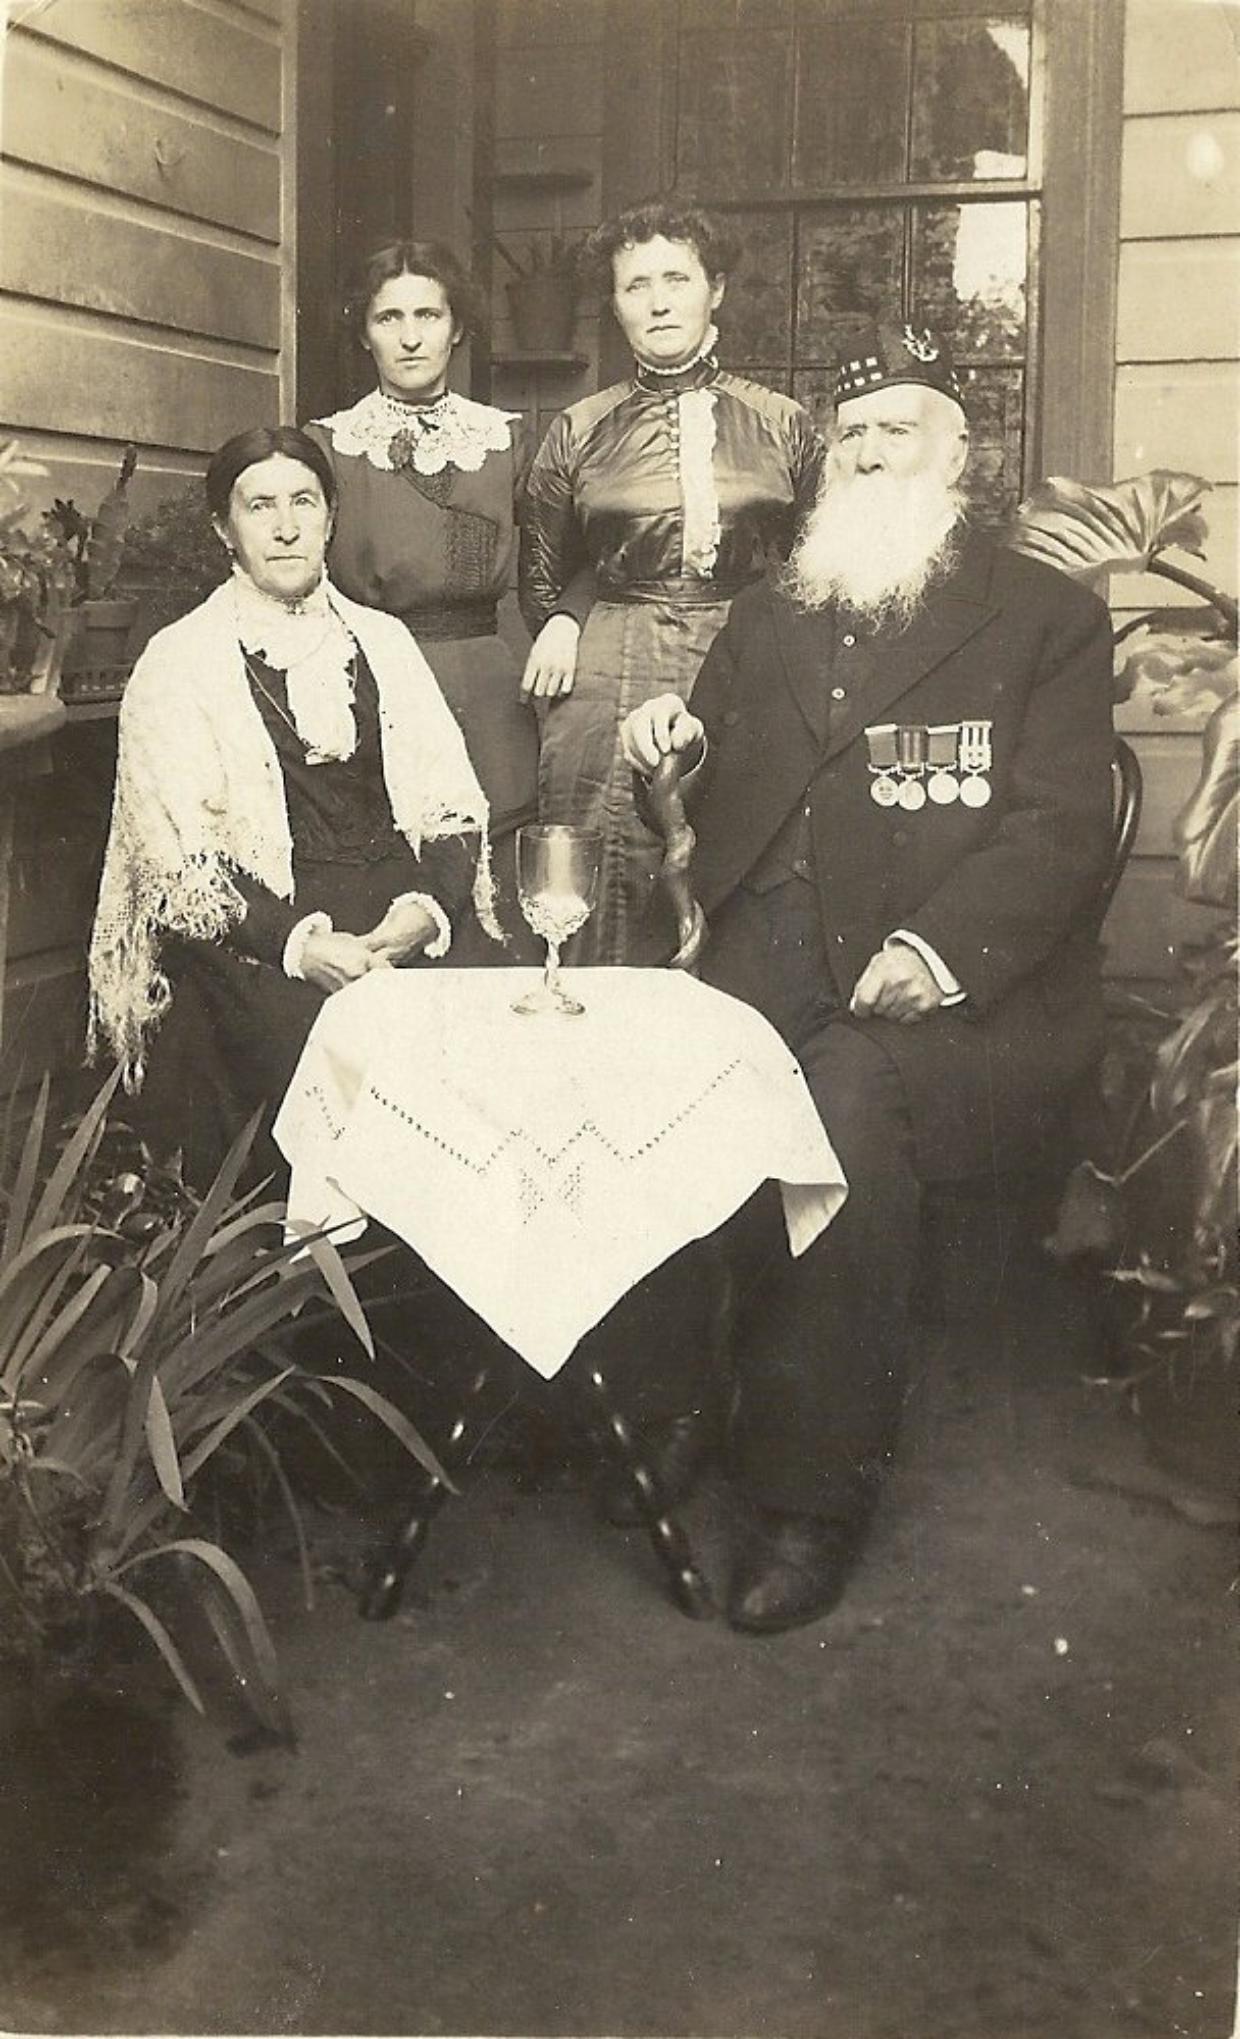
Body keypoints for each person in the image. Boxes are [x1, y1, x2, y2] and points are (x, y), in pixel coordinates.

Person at [619, 319, 1116, 1634]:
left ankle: (808, 1496)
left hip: (938, 975)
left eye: (904, 428)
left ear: (958, 453)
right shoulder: (773, 610)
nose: (875, 449)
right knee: (657, 1077)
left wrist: (940, 951)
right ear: (827, 461)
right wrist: (664, 744)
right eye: (855, 433)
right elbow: (703, 770)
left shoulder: (1045, 615)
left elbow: (1061, 827)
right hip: (765, 940)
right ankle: (675, 1405)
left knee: (834, 1117)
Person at [88, 425, 495, 1191]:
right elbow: (180, 866)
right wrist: (302, 947)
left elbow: (451, 807)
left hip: (393, 919)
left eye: (303, 501)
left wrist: (425, 914)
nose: (284, 526)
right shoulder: (179, 660)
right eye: (259, 505)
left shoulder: (384, 641)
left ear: (330, 516)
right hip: (257, 937)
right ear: (223, 528)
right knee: (336, 1069)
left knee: (501, 1047)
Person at [520, 200, 824, 963]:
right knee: (606, 862)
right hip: (610, 661)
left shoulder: (782, 422)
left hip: (745, 651)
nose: (658, 301)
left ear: (714, 289)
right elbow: (544, 575)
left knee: (740, 849)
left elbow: (817, 568)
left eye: (677, 279)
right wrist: (565, 618)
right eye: (635, 286)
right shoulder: (580, 428)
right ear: (615, 305)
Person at [305, 239, 584, 956]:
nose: (409, 335)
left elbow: (566, 564)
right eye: (387, 317)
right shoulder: (329, 446)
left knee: (500, 894)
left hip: (486, 684)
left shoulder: (506, 440)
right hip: (376, 685)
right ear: (363, 332)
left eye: (428, 313)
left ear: (458, 326)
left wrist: (563, 626)